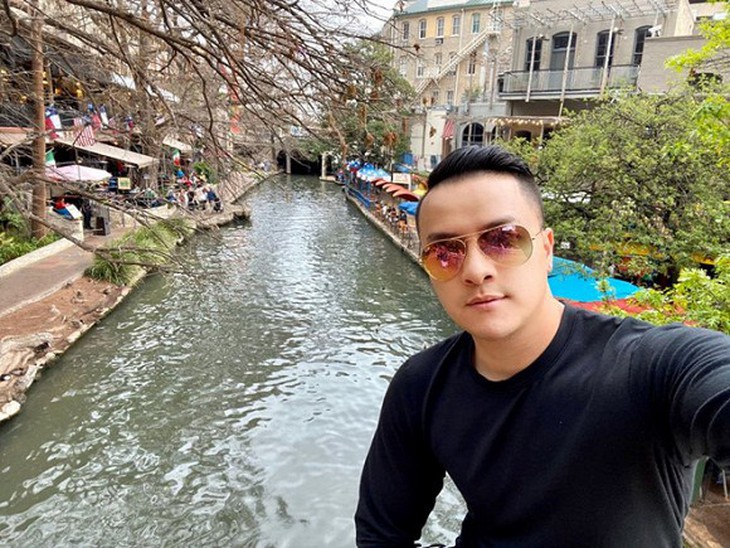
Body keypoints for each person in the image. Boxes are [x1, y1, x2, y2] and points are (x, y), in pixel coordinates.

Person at [355, 145, 730, 547]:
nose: (476, 271)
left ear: (547, 250)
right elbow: (382, 534)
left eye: (502, 239)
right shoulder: (421, 386)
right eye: (444, 253)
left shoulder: (648, 366)